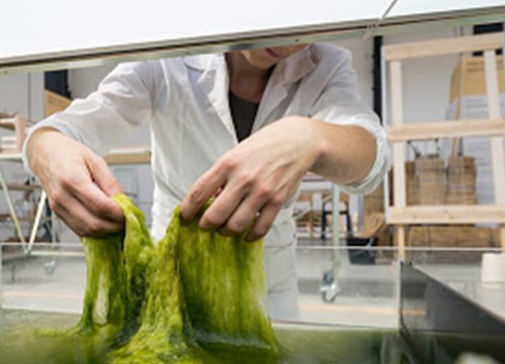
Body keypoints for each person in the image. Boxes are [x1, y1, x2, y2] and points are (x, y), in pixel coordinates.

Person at [24, 43, 389, 318]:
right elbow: (73, 125)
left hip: (269, 283)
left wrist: (311, 136)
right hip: (176, 278)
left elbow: (371, 158)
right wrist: (47, 150)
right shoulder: (166, 56)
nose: (284, 39)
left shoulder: (325, 64)